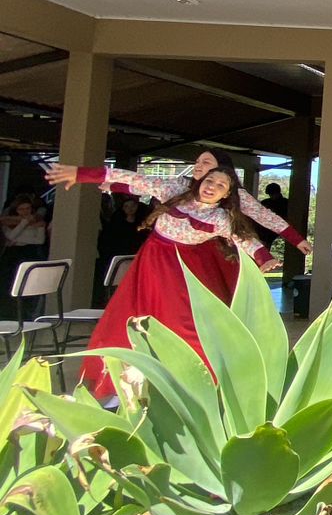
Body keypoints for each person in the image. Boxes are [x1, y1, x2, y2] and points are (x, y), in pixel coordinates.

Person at [44, 162, 279, 399]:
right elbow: (134, 179)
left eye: (221, 185)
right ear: (200, 181)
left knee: (184, 323)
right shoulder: (173, 191)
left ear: (227, 194)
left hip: (180, 270)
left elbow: (244, 239)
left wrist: (264, 258)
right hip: (152, 262)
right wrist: (82, 174)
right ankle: (122, 381)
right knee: (132, 316)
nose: (212, 187)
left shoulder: (220, 218)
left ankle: (198, 383)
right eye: (209, 181)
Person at [101, 151, 311, 298]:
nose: (199, 166)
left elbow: (264, 216)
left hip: (204, 253)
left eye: (206, 162)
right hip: (164, 251)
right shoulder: (181, 184)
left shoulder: (235, 196)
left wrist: (296, 240)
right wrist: (113, 185)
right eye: (198, 161)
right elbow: (144, 186)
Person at [0, 194, 49, 320]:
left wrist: (18, 239)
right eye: (21, 209)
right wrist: (24, 223)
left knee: (27, 286)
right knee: (9, 286)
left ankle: (26, 316)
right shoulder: (7, 221)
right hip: (12, 257)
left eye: (28, 208)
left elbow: (39, 240)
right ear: (15, 210)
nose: (25, 211)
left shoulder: (38, 222)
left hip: (30, 254)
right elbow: (10, 236)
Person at [94, 195, 148, 308]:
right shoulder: (116, 222)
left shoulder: (143, 225)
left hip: (136, 258)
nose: (130, 209)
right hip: (119, 258)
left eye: (133, 206)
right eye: (126, 206)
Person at [256, 182, 291, 250]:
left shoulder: (285, 203)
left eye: (272, 194)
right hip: (264, 228)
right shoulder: (265, 202)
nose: (271, 196)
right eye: (270, 194)